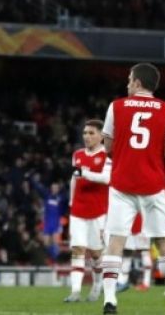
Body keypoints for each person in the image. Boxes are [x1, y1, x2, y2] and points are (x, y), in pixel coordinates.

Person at [100, 63, 165, 314]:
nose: (127, 84)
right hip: (153, 185)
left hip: (121, 183)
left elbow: (107, 146)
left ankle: (109, 301)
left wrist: (123, 150)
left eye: (130, 80)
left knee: (115, 242)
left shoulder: (116, 106)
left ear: (138, 83)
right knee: (164, 243)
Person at [64, 119, 111, 303]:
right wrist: (70, 200)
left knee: (96, 254)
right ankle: (75, 291)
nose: (87, 137)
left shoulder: (107, 155)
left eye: (91, 133)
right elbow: (74, 178)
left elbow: (107, 178)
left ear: (101, 136)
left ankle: (97, 284)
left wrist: (86, 174)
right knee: (77, 250)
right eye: (85, 133)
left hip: (98, 211)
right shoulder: (77, 155)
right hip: (78, 210)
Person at [28, 173, 68, 262]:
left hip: (56, 224)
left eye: (56, 188)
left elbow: (68, 196)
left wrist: (65, 185)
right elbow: (39, 188)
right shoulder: (47, 195)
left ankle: (56, 260)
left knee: (55, 243)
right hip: (47, 223)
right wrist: (31, 179)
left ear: (58, 189)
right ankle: (50, 259)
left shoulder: (61, 197)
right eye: (52, 187)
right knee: (46, 243)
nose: (54, 189)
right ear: (51, 188)